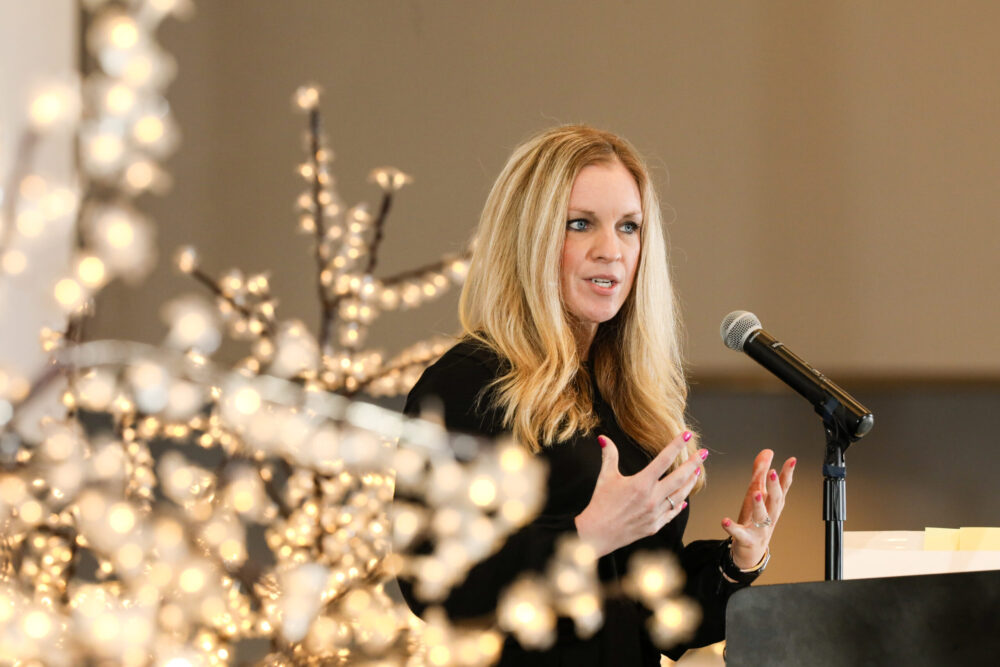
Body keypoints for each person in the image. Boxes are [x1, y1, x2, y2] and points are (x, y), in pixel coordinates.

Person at [400, 125, 795, 665]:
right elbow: (436, 586)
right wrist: (586, 536)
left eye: (629, 227)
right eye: (580, 224)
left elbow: (655, 615)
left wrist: (737, 561)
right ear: (529, 238)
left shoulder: (628, 396)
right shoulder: (468, 383)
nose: (611, 250)